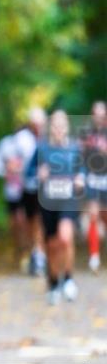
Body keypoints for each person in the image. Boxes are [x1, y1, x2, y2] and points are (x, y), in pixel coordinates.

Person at [27, 110, 86, 305]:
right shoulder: (41, 149)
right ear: (50, 128)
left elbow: (82, 170)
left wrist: (80, 179)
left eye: (62, 126)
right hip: (49, 200)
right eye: (55, 126)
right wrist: (39, 174)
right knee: (51, 245)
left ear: (67, 128)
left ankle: (68, 278)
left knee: (65, 237)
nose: (59, 129)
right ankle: (53, 282)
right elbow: (28, 172)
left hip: (68, 199)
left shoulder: (75, 148)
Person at [0, 107, 47, 275]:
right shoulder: (17, 141)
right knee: (22, 220)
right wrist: (8, 171)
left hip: (39, 188)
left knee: (39, 220)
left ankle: (38, 254)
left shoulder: (48, 138)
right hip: (19, 189)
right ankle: (25, 252)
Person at [81, 101, 107, 272]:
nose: (98, 117)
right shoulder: (85, 133)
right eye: (95, 113)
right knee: (93, 215)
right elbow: (80, 155)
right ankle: (94, 256)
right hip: (92, 178)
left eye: (102, 114)